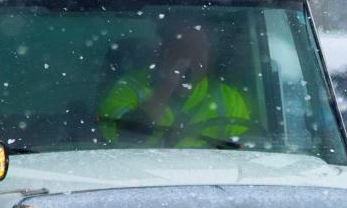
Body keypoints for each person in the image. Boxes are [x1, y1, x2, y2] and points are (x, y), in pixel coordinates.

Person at [96, 22, 254, 147]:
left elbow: (244, 151)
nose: (191, 58)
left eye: (199, 50)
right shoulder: (129, 87)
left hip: (206, 176)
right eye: (182, 49)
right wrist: (166, 86)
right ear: (161, 53)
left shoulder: (227, 98)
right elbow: (126, 138)